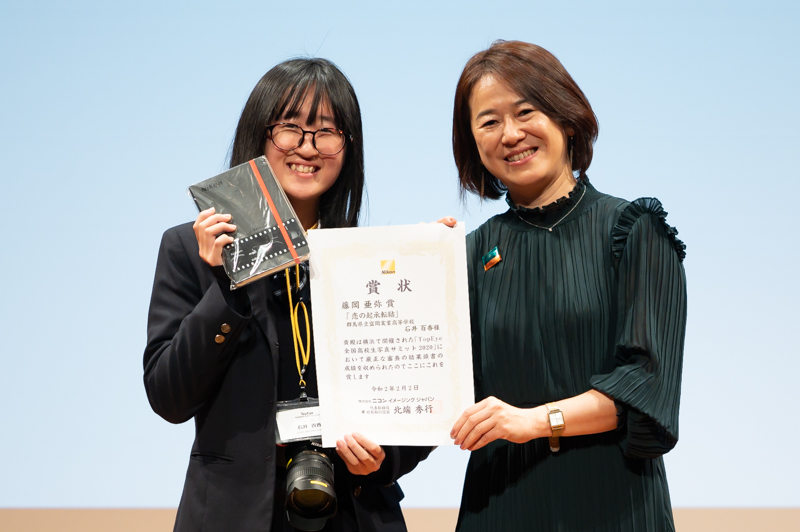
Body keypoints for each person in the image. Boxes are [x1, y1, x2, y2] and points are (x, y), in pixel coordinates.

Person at [143, 58, 430, 532]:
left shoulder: (371, 258)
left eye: (327, 132)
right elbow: (169, 398)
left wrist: (384, 456)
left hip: (353, 510)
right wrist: (226, 285)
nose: (307, 148)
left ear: (349, 147)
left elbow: (419, 398)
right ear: (259, 135)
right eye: (290, 128)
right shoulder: (192, 248)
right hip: (233, 514)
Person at [448, 41, 687, 531]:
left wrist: (533, 421)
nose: (510, 134)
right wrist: (421, 271)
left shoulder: (633, 229)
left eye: (526, 111)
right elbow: (435, 389)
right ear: (473, 143)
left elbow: (646, 381)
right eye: (489, 122)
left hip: (614, 503)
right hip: (501, 504)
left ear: (567, 119)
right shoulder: (466, 254)